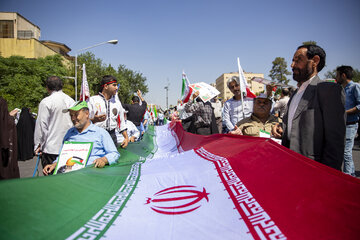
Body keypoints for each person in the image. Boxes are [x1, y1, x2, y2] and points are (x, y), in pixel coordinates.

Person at [272, 44, 346, 170]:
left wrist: (327, 177)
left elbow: (335, 143)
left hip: (313, 169)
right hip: (289, 164)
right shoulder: (295, 93)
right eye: (292, 60)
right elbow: (293, 124)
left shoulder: (328, 90)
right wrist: (280, 127)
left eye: (298, 60)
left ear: (315, 61)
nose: (292, 65)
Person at [43, 101, 120, 175]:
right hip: (69, 175)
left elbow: (114, 154)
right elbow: (62, 155)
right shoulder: (69, 133)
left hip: (93, 175)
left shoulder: (100, 133)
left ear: (87, 114)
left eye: (76, 114)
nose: (73, 118)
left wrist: (103, 160)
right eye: (71, 115)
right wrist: (54, 164)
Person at [34, 76, 75, 168]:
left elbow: (41, 126)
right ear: (62, 86)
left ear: (47, 87)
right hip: (68, 147)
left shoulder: (46, 102)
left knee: (50, 177)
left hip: (51, 148)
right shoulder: (71, 100)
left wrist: (38, 145)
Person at [88, 75, 129, 148]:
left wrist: (126, 137)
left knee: (113, 158)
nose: (116, 88)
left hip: (112, 136)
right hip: (96, 135)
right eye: (114, 85)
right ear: (106, 86)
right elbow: (84, 120)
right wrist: (94, 120)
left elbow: (121, 122)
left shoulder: (117, 103)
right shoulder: (92, 100)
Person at [336, 65, 360, 176]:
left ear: (343, 75)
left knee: (346, 152)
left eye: (337, 75)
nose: (336, 77)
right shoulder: (342, 88)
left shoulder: (355, 86)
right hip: (342, 124)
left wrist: (345, 112)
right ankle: (351, 175)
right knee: (345, 152)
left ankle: (348, 176)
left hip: (351, 124)